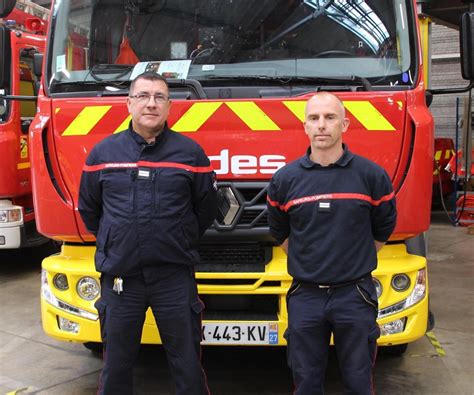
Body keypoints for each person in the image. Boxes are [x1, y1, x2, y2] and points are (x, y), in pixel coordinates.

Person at [78, 72, 217, 395]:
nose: (151, 104)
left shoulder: (190, 154)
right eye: (142, 96)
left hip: (173, 277)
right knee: (116, 366)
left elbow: (206, 209)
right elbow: (90, 210)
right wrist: (116, 240)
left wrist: (178, 237)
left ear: (169, 106)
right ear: (129, 103)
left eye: (159, 97)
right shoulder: (102, 154)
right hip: (121, 279)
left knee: (186, 364)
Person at [266, 92, 397, 395]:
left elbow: (383, 228)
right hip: (305, 296)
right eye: (314, 118)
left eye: (330, 117)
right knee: (307, 381)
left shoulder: (371, 176)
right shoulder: (285, 179)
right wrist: (310, 262)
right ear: (305, 127)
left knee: (357, 380)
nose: (321, 125)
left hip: (355, 296)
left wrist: (353, 261)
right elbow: (280, 231)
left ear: (345, 124)